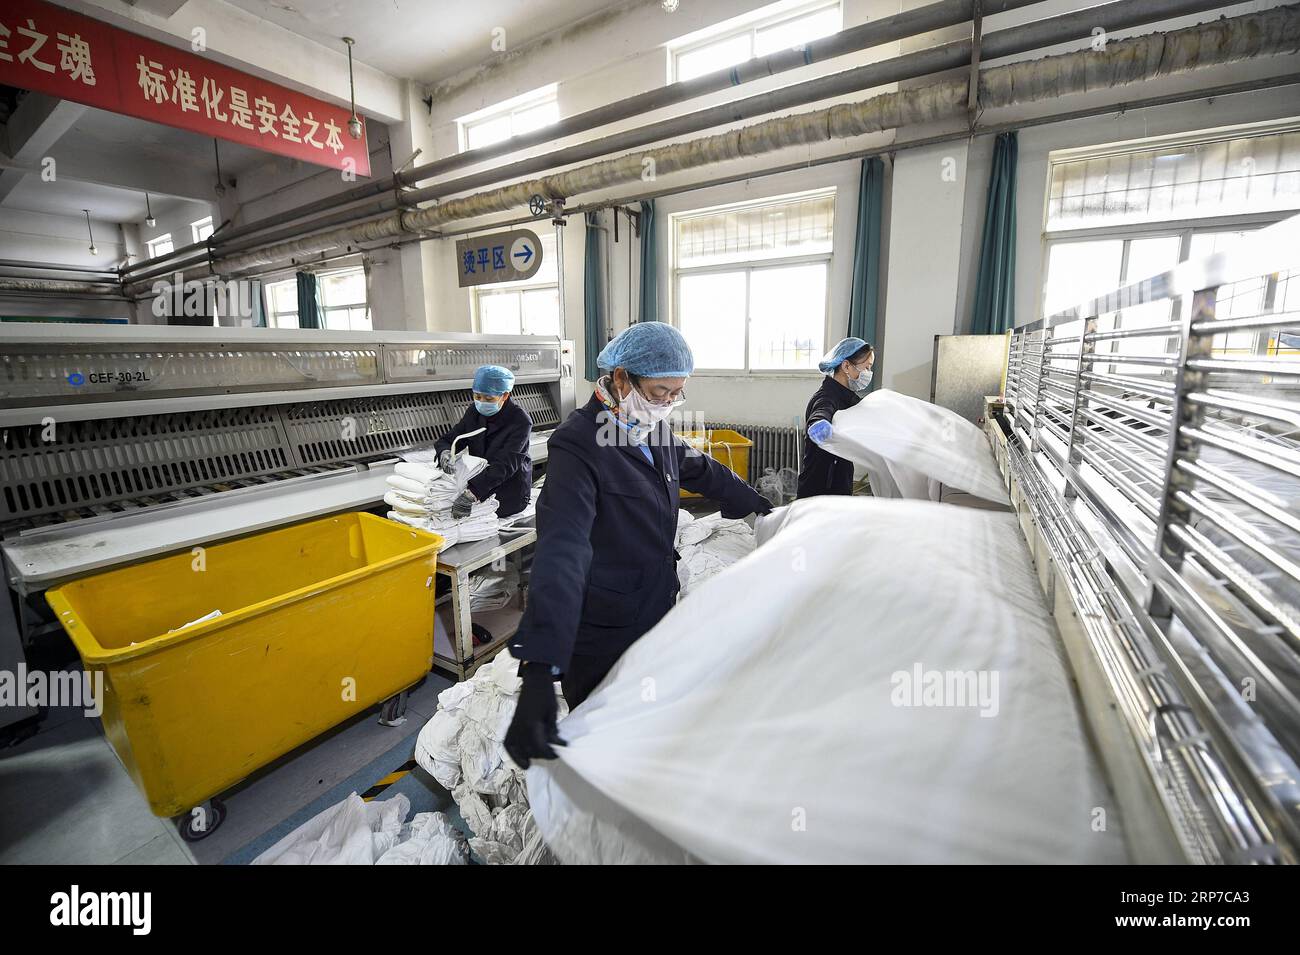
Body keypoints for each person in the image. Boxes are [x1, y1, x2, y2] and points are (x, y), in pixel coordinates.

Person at [503, 323, 772, 769]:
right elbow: (563, 551)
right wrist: (538, 667)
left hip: (655, 605)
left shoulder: (648, 427)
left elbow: (701, 468)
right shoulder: (579, 444)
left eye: (677, 394)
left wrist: (758, 506)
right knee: (603, 745)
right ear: (620, 379)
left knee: (645, 733)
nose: (667, 404)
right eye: (659, 391)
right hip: (604, 628)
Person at [433, 364, 533, 520]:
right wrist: (444, 452)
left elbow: (505, 465)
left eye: (489, 398)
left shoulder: (520, 421)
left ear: (505, 395)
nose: (481, 402)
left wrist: (472, 493)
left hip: (508, 494)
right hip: (477, 486)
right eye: (477, 396)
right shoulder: (474, 411)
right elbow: (451, 438)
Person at [796, 337, 875, 500]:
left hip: (837, 482)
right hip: (821, 488)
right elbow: (822, 411)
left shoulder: (847, 398)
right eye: (866, 368)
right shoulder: (827, 396)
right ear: (846, 366)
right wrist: (819, 424)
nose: (868, 374)